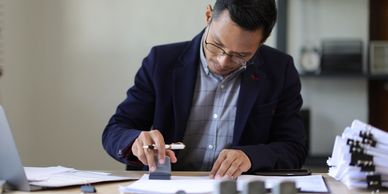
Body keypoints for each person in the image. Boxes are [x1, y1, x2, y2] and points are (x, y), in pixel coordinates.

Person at [102, 0, 307, 179]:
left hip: (236, 187)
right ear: (208, 16)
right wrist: (136, 141)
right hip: (168, 186)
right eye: (217, 44)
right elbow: (115, 130)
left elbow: (294, 148)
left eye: (240, 55)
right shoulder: (161, 62)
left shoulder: (279, 70)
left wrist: (251, 157)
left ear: (261, 42)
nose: (223, 61)